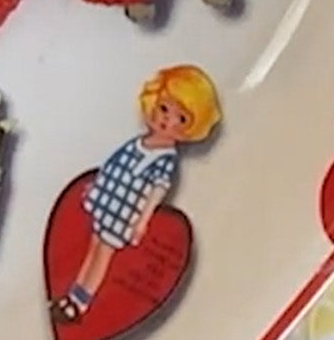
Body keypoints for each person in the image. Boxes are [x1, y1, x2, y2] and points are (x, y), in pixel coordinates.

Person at [49, 66, 222, 325]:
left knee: (102, 255)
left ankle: (81, 302)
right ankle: (72, 295)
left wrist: (141, 221)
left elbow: (158, 189)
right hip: (107, 200)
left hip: (123, 212)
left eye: (181, 119)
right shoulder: (138, 143)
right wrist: (97, 188)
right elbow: (113, 166)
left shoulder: (165, 159)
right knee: (93, 249)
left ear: (191, 128)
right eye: (164, 109)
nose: (167, 120)